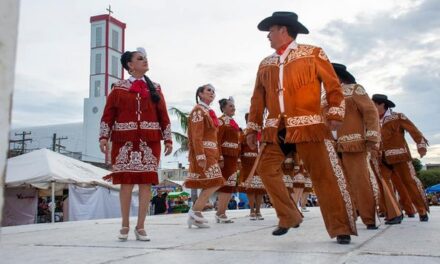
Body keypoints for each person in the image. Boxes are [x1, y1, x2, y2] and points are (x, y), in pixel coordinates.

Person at [246, 11, 357, 244]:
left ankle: (340, 227)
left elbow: (333, 86)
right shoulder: (265, 63)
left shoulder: (312, 53)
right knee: (266, 170)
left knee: (324, 175)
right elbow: (257, 98)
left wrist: (335, 111)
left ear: (283, 30)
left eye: (271, 30)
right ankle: (288, 215)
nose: (268, 35)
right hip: (277, 127)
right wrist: (252, 128)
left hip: (310, 125)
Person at [99, 47, 173, 241]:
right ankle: (124, 224)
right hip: (124, 141)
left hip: (150, 141)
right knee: (126, 183)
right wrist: (104, 137)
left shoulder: (155, 87)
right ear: (130, 65)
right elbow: (108, 115)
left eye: (145, 58)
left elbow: (163, 115)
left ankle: (140, 226)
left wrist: (168, 138)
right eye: (140, 59)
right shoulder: (118, 88)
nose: (145, 61)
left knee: (146, 183)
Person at [330, 63, 381, 229]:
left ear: (337, 75)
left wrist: (372, 136)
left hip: (353, 143)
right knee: (340, 184)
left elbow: (370, 112)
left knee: (360, 181)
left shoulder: (354, 89)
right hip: (331, 146)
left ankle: (369, 218)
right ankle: (349, 218)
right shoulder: (325, 96)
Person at [372, 94, 430, 222]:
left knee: (409, 182)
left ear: (382, 104)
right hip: (381, 158)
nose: (372, 106)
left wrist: (421, 146)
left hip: (400, 157)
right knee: (383, 185)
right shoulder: (372, 120)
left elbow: (414, 130)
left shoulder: (398, 116)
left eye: (374, 104)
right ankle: (394, 213)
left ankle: (422, 210)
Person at [184, 84, 225, 228]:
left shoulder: (208, 111)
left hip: (211, 152)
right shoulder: (198, 111)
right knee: (216, 181)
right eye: (208, 90)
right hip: (205, 153)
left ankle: (196, 214)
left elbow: (214, 137)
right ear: (200, 94)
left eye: (213, 91)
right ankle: (195, 211)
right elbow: (196, 135)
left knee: (210, 182)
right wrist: (200, 155)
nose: (212, 93)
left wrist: (218, 155)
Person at [215, 97, 241, 223]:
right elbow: (217, 140)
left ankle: (221, 213)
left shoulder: (232, 122)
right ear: (224, 108)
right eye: (230, 106)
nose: (233, 108)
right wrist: (219, 157)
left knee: (230, 184)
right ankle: (220, 213)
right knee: (225, 185)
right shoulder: (221, 122)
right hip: (225, 157)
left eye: (233, 106)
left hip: (233, 157)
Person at [238, 113, 266, 220]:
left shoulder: (262, 134)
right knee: (250, 188)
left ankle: (258, 210)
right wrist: (239, 159)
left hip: (260, 163)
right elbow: (239, 147)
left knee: (260, 188)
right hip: (247, 163)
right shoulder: (244, 133)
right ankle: (251, 211)